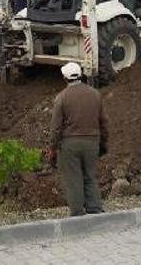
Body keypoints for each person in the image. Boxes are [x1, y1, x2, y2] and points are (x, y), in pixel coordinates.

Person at [46, 63, 108, 216]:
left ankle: (77, 213)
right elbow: (104, 122)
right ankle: (95, 209)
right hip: (92, 141)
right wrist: (103, 143)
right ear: (81, 75)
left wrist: (52, 148)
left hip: (70, 144)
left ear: (65, 77)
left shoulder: (62, 97)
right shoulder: (95, 94)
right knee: (90, 176)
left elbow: (56, 127)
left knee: (74, 179)